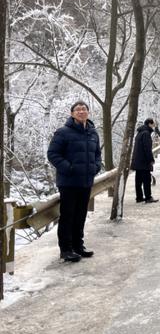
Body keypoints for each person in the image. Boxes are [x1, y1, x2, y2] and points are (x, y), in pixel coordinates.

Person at [47, 101, 101, 262]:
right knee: (68, 216)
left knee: (80, 215)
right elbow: (53, 154)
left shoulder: (93, 133)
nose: (81, 112)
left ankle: (78, 246)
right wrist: (69, 168)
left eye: (84, 109)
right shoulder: (63, 132)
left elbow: (97, 154)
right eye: (78, 110)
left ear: (88, 113)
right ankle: (66, 249)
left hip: (86, 181)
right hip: (68, 182)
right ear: (72, 114)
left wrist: (95, 167)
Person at [131, 118, 158, 204]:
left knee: (138, 180)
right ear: (149, 124)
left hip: (137, 160)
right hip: (143, 161)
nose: (154, 125)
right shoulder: (146, 133)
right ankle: (148, 197)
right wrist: (151, 159)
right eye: (153, 124)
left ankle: (139, 197)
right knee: (146, 179)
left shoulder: (139, 133)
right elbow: (147, 149)